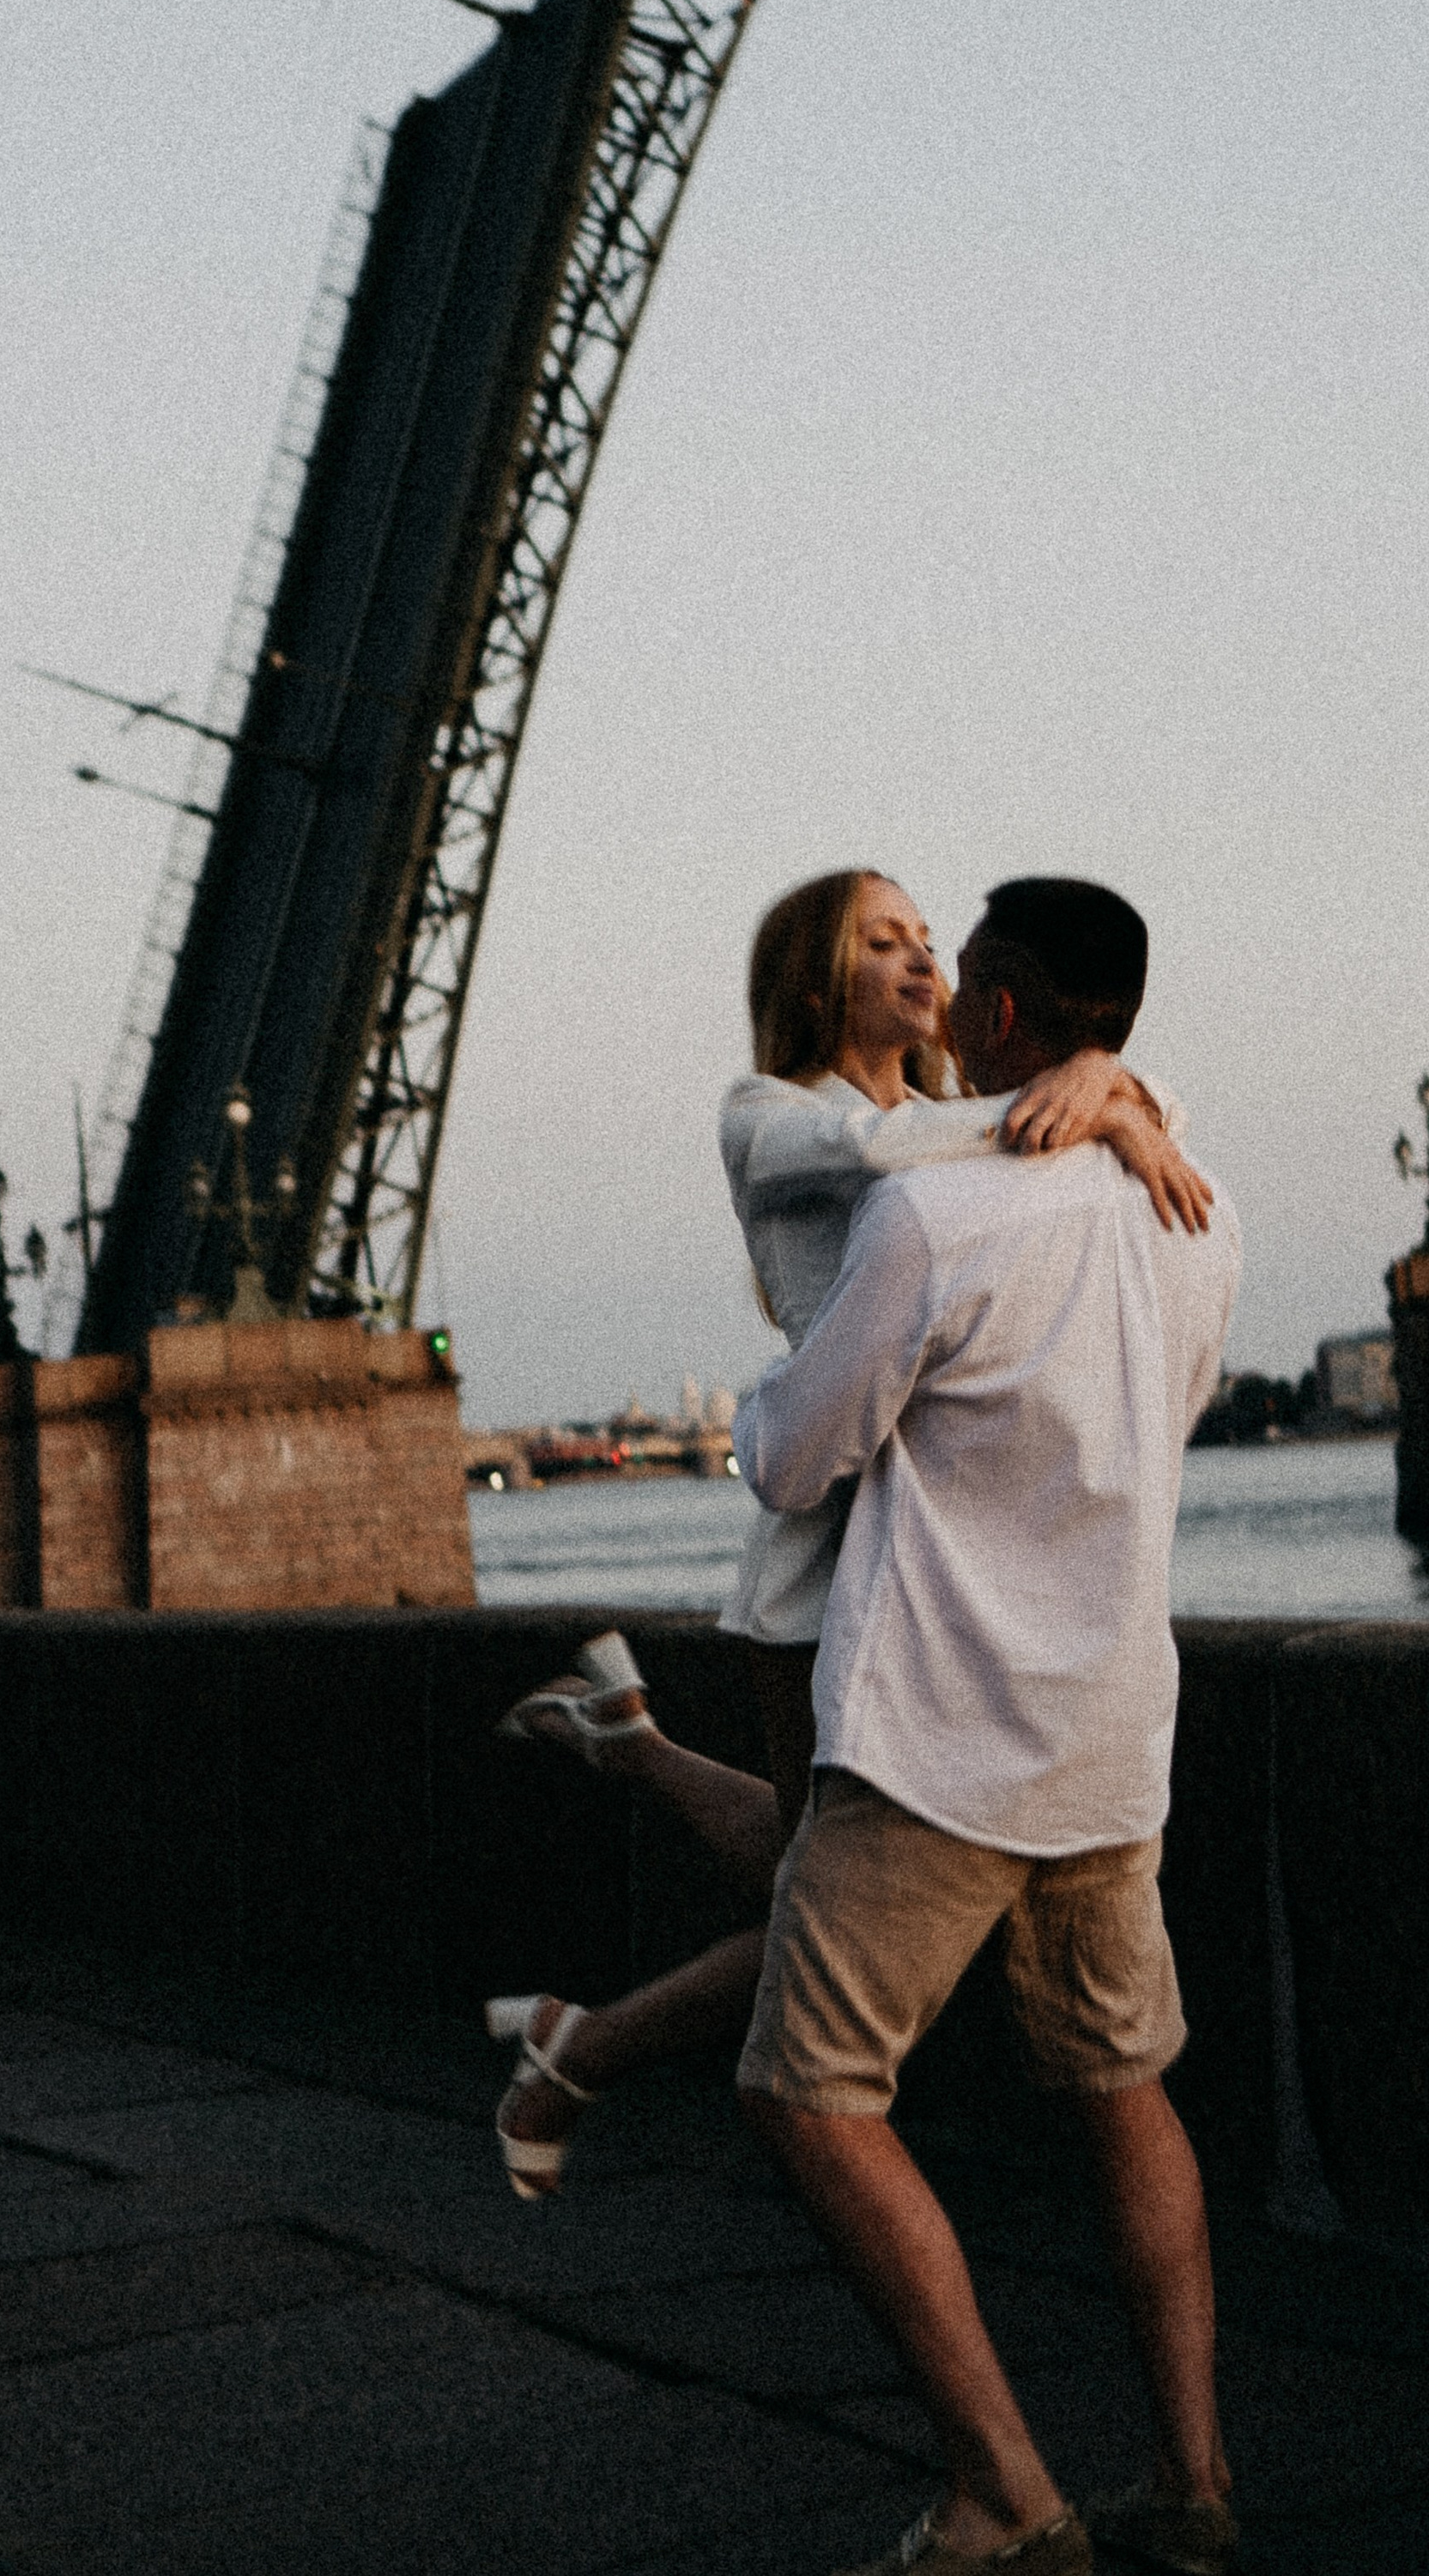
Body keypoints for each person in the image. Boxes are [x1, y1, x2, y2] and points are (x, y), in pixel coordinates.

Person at [486, 868, 1211, 2199]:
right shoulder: (771, 1119)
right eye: (884, 943)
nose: (921, 961)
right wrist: (1104, 1094)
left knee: (829, 1887)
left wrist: (1108, 1092)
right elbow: (888, 1159)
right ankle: (586, 2020)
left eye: (931, 942)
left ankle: (620, 1817)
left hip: (926, 1546)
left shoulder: (965, 1118)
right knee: (820, 1892)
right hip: (824, 1541)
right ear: (820, 978)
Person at [732, 878, 1242, 2576]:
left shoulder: (934, 1220)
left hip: (934, 1746)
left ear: (1004, 1017)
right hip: (1108, 1744)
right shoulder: (1198, 1207)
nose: (937, 992)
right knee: (1125, 2096)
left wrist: (755, 1407)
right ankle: (1192, 2492)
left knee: (810, 2094)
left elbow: (800, 1461)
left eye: (965, 976)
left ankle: (1003, 2488)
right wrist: (1126, 1101)